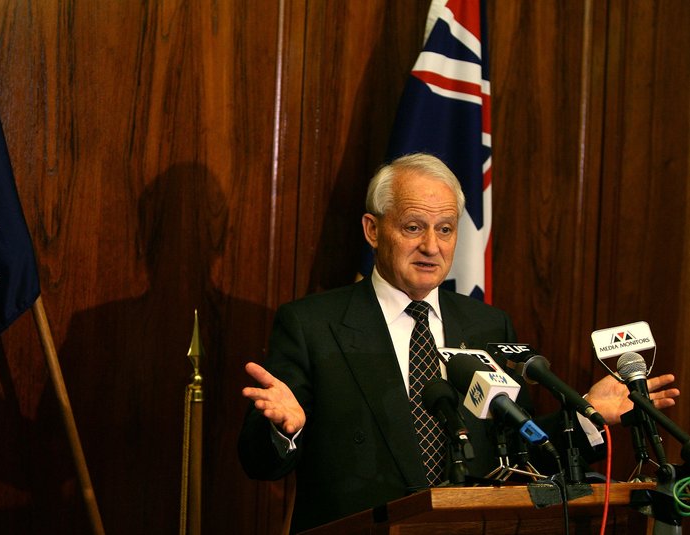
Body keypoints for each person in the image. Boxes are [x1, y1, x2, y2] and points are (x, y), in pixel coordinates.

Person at [238, 153, 680, 533]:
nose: (431, 246)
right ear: (373, 231)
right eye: (413, 227)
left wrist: (585, 413)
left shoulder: (489, 326)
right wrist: (283, 429)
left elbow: (521, 451)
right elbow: (259, 463)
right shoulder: (313, 324)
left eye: (446, 229)